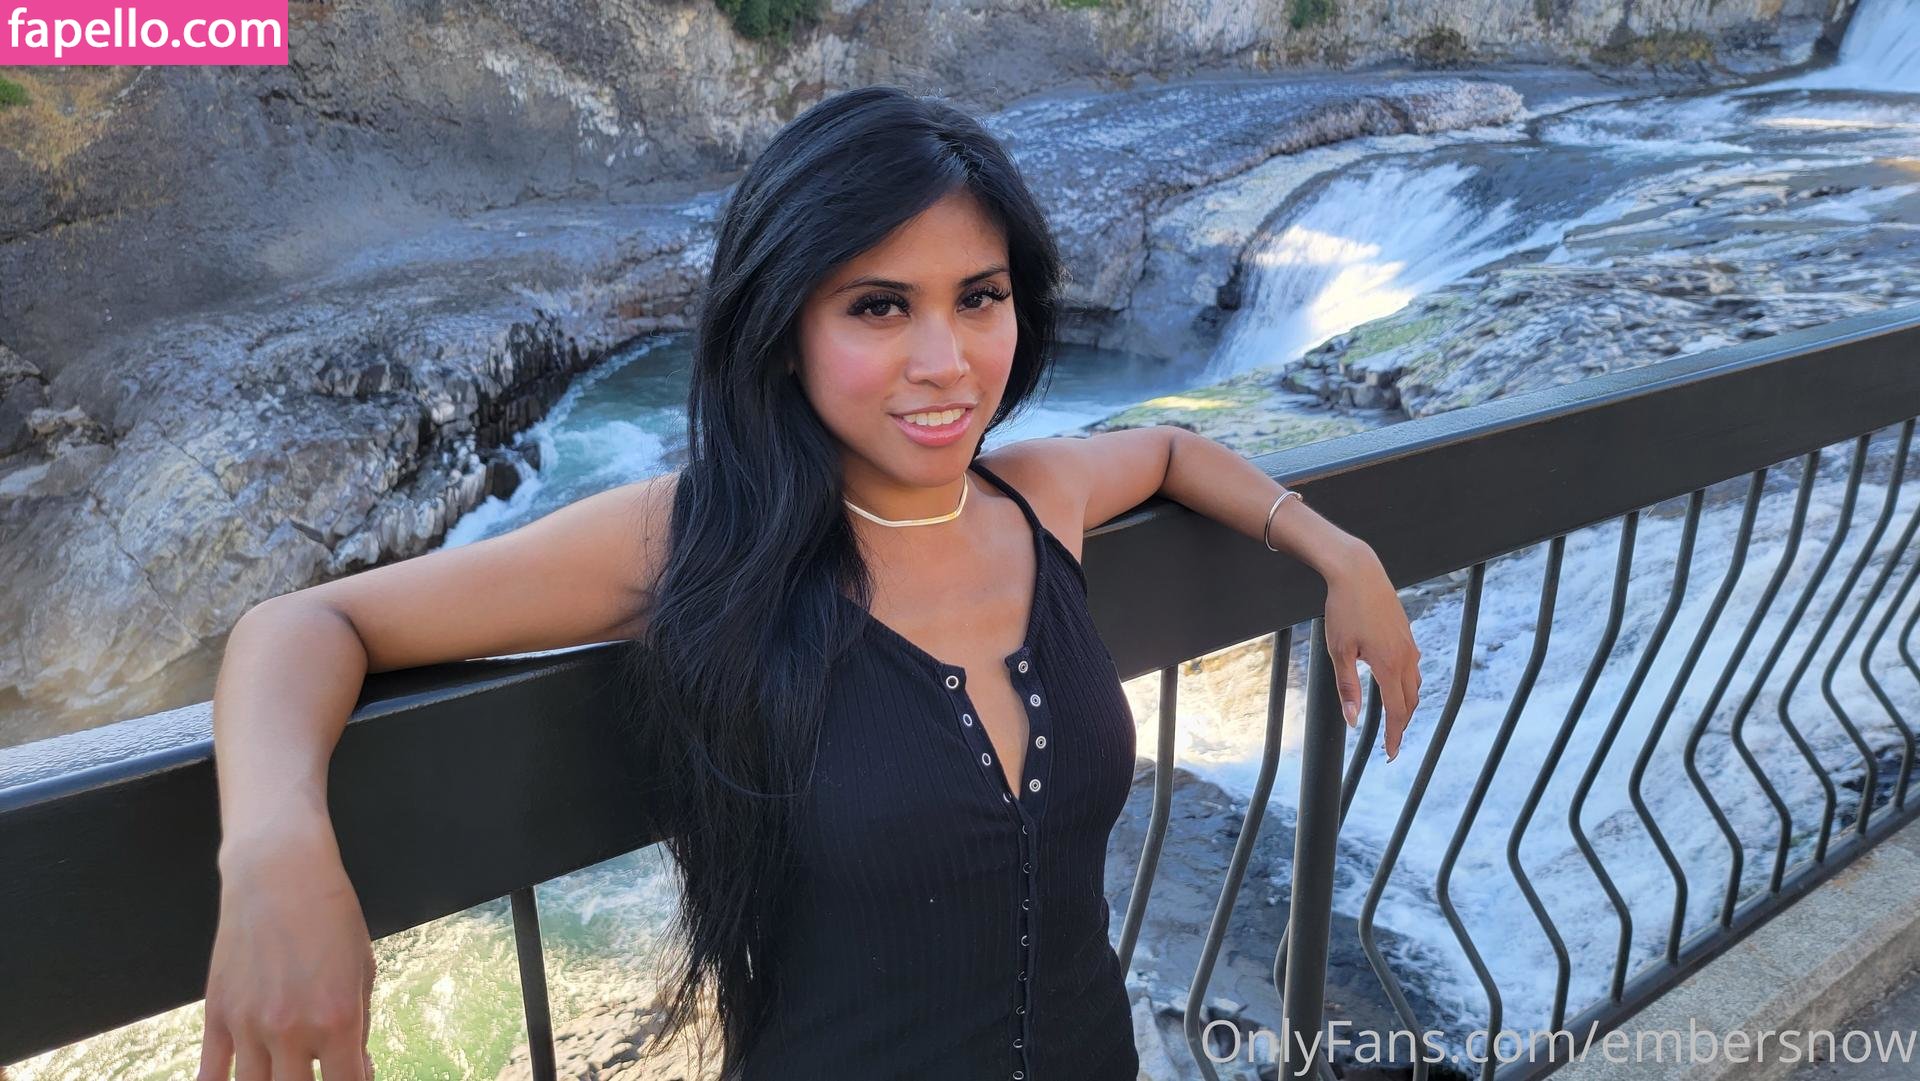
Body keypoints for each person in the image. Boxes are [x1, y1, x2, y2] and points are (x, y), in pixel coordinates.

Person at [195, 84, 1422, 1081]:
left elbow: (1167, 449)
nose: (946, 361)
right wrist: (273, 849)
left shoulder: (1034, 496)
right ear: (785, 327)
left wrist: (1337, 551)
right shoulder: (695, 537)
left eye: (979, 298)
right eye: (878, 307)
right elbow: (311, 620)